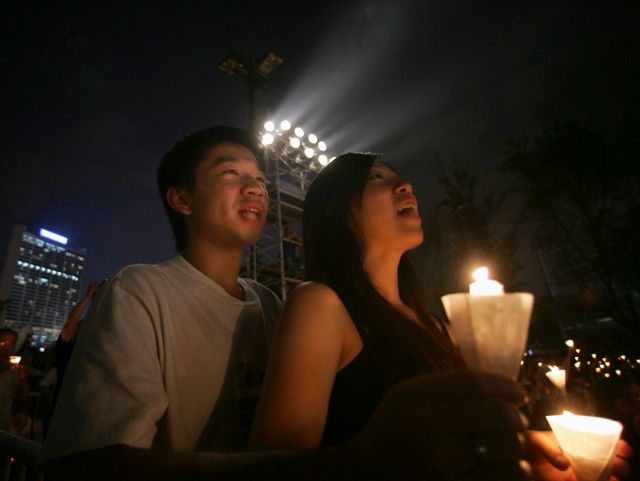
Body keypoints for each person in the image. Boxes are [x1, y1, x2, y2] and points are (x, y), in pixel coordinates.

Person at [249, 152, 633, 480]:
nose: (404, 185)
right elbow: (272, 467)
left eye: (400, 178)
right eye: (376, 179)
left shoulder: (439, 328)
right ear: (341, 214)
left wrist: (524, 450)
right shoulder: (322, 305)